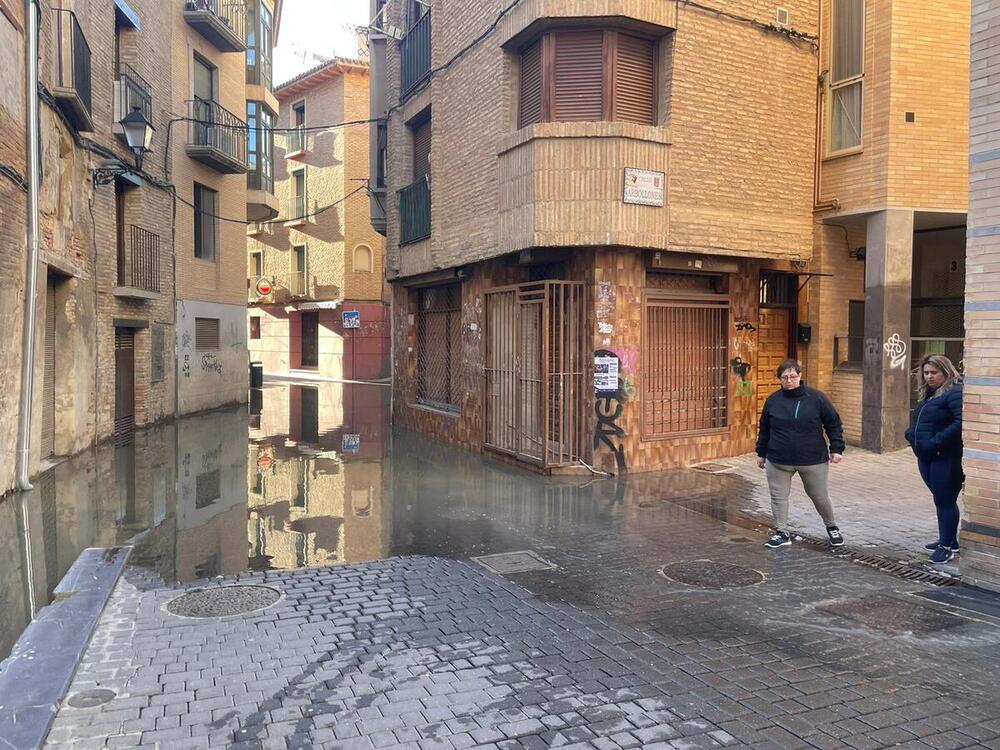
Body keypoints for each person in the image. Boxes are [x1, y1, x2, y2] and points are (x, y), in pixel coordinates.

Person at [756, 359, 846, 549]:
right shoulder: (773, 400)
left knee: (819, 496)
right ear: (779, 379)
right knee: (778, 497)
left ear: (800, 376)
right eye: (785, 377)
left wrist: (836, 448)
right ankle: (781, 532)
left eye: (793, 376)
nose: (789, 380)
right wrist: (761, 452)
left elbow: (833, 423)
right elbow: (764, 428)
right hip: (778, 460)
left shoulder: (817, 398)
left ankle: (832, 527)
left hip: (812, 460)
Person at [905, 354, 964, 564]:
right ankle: (949, 540)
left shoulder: (955, 392)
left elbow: (959, 423)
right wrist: (910, 435)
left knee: (944, 500)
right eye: (926, 372)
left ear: (945, 372)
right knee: (942, 499)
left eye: (934, 372)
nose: (929, 376)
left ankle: (946, 547)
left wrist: (935, 442)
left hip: (945, 457)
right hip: (926, 456)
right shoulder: (931, 394)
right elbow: (920, 419)